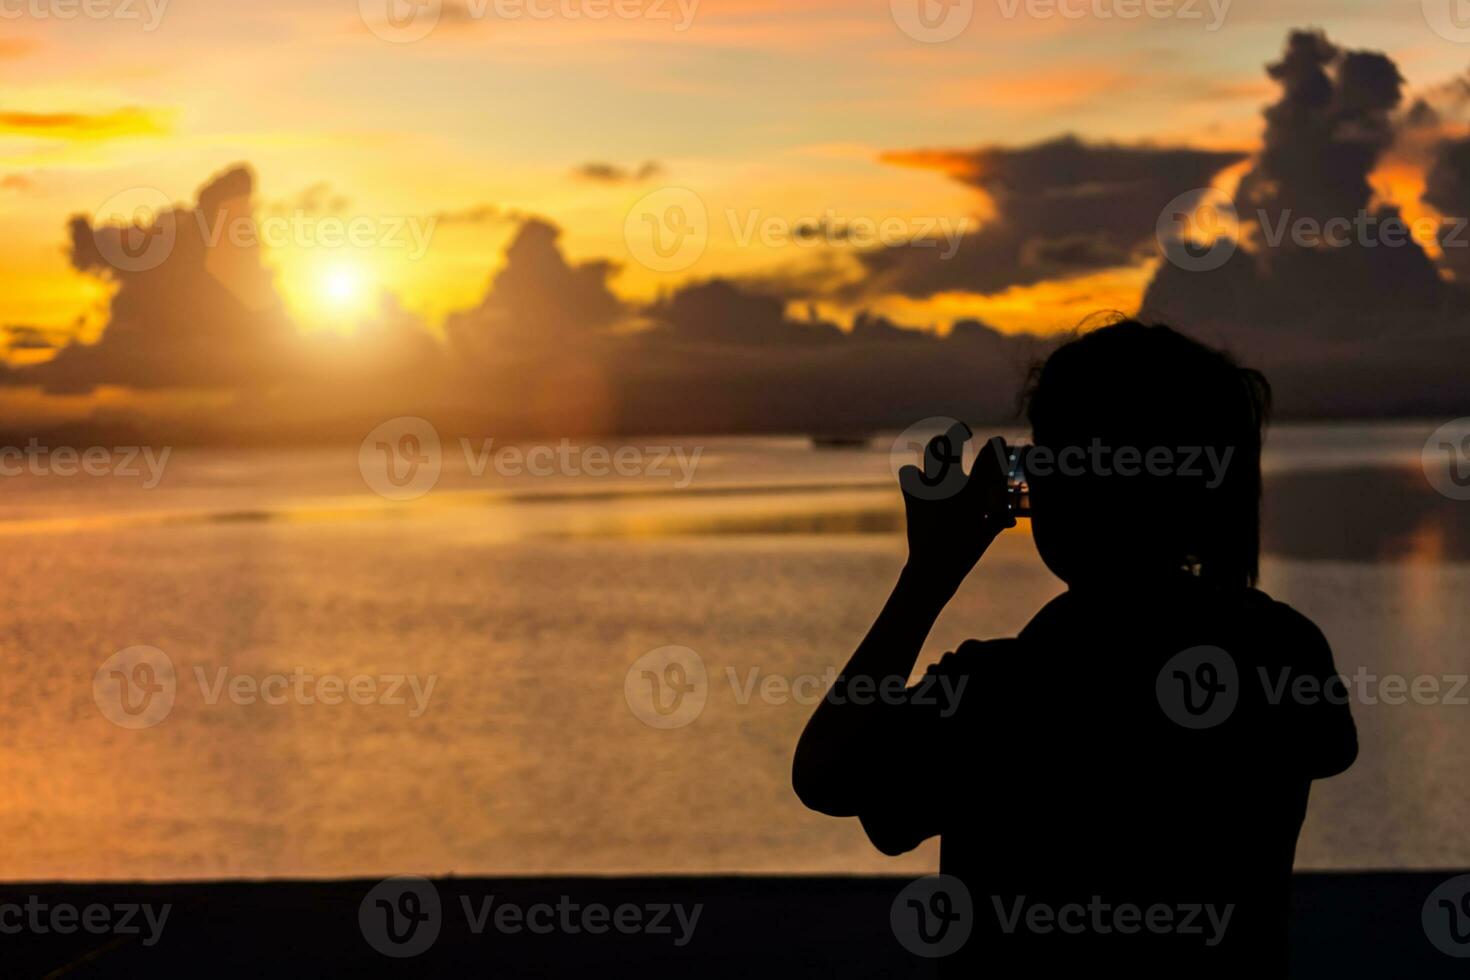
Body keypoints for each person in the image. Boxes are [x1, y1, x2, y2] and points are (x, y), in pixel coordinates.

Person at [791, 319, 1358, 977]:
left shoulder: (998, 693)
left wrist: (928, 577)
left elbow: (827, 775)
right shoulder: (1284, 654)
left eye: (1045, 457)